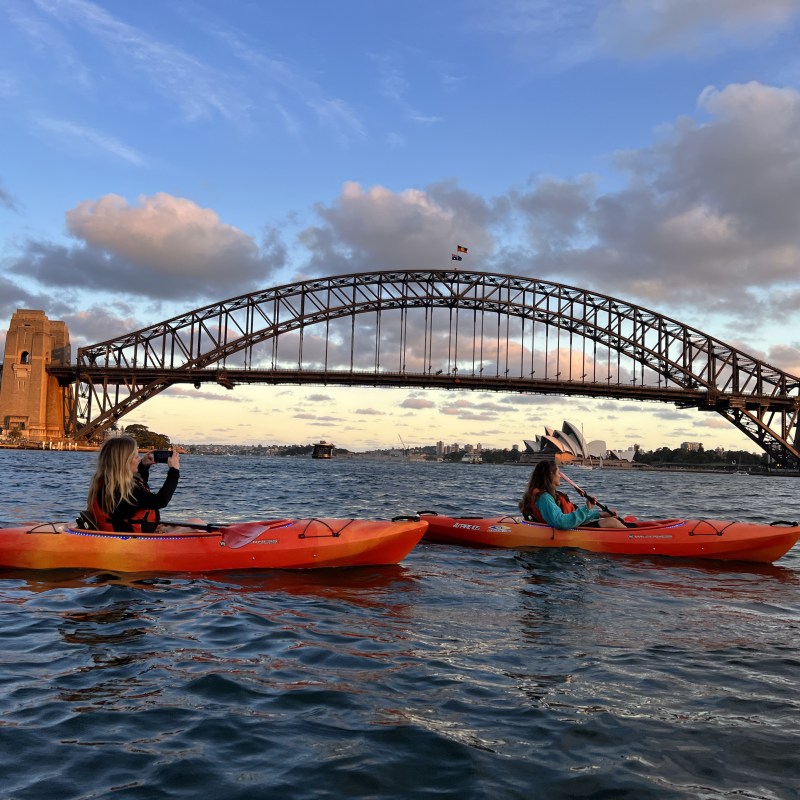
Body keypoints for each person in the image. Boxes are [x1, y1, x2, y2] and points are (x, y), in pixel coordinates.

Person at [86, 436, 181, 532]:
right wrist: (174, 471)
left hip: (124, 533)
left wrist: (143, 466)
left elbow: (139, 492)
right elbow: (161, 500)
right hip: (133, 539)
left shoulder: (109, 484)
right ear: (125, 462)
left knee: (182, 526)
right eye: (136, 456)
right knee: (190, 526)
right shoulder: (124, 492)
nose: (139, 459)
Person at [519, 460, 627, 529]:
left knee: (610, 520)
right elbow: (561, 522)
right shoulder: (544, 498)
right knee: (611, 522)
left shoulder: (548, 495)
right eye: (558, 473)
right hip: (568, 528)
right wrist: (586, 508)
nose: (560, 476)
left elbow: (571, 515)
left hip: (572, 525)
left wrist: (600, 514)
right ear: (551, 475)